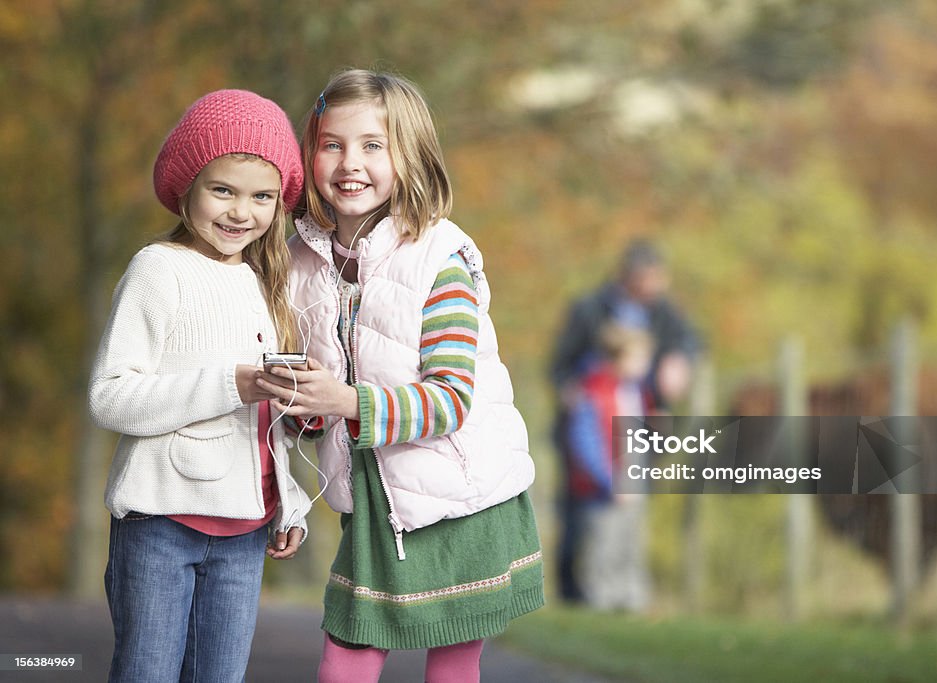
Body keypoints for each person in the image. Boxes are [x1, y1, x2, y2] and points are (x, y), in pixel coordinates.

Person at [255, 69, 543, 683]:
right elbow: (318, 399)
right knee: (345, 662)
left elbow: (450, 400)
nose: (349, 162)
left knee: (451, 666)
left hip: (458, 496)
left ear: (407, 156)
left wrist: (345, 399)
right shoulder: (300, 258)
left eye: (371, 146)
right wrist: (306, 404)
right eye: (332, 144)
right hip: (370, 498)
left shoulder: (440, 261)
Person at [88, 89, 312, 683]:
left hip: (245, 533)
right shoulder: (158, 269)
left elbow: (266, 423)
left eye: (262, 197)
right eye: (223, 191)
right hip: (161, 524)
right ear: (186, 187)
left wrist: (287, 500)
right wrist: (230, 384)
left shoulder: (268, 281)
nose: (243, 212)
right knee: (147, 673)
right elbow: (110, 395)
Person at [550, 239, 702, 603]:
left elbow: (690, 341)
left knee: (629, 525)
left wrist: (679, 361)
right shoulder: (589, 309)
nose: (656, 288)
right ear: (630, 278)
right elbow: (560, 366)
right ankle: (579, 597)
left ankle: (628, 597)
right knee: (584, 526)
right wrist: (573, 392)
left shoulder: (664, 312)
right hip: (594, 432)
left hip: (635, 433)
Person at [565, 322, 655, 611]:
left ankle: (632, 604)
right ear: (618, 357)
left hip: (633, 483)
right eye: (639, 358)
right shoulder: (594, 391)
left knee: (631, 546)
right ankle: (600, 604)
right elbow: (585, 441)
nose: (645, 365)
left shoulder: (636, 392)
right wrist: (609, 480)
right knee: (603, 548)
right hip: (602, 490)